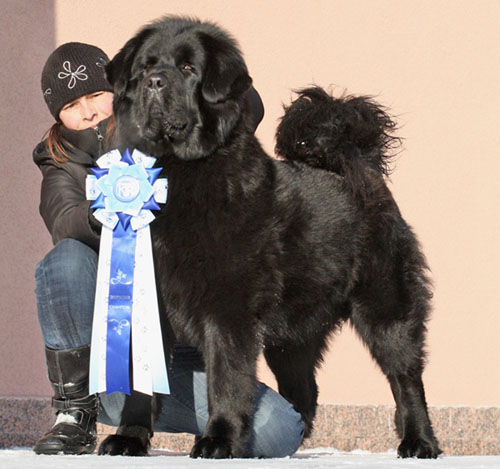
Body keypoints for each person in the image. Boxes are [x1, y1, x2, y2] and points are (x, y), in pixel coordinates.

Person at [33, 42, 304, 457]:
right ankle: (76, 412)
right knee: (64, 259)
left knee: (278, 432)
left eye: (95, 95)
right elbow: (62, 217)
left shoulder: (167, 126)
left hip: (187, 356)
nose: (87, 111)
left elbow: (246, 105)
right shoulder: (61, 159)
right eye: (71, 105)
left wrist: (187, 79)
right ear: (58, 116)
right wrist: (109, 209)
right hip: (116, 368)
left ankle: (207, 416)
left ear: (120, 90)